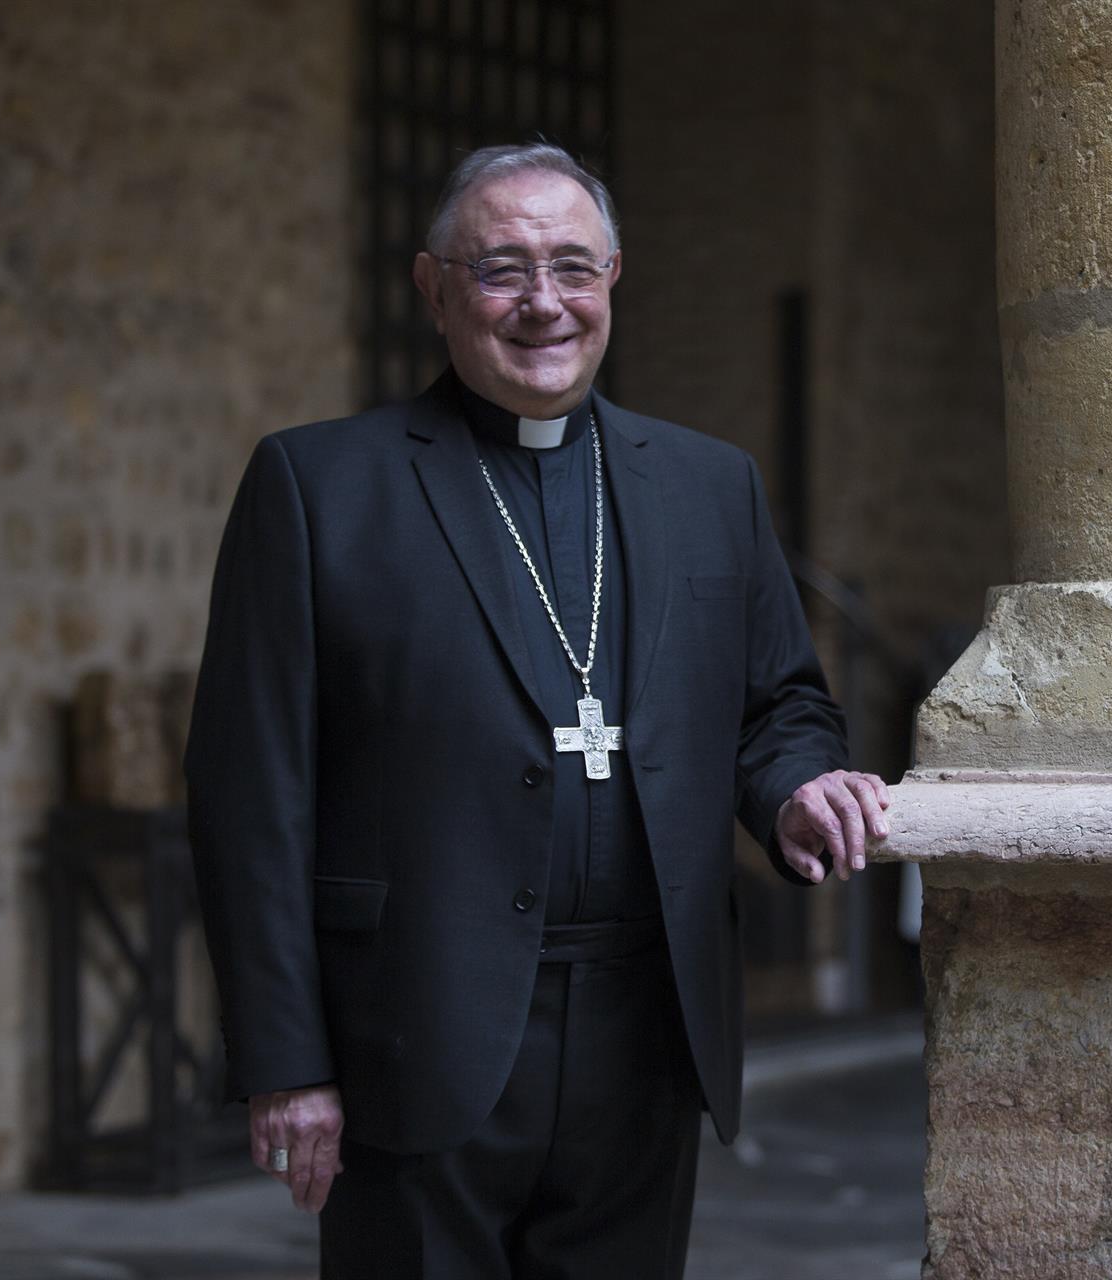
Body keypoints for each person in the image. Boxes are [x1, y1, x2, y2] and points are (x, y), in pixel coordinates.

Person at [185, 141, 888, 1279]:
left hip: (647, 1030)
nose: (543, 303)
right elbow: (249, 792)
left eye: (572, 265)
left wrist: (798, 788)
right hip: (412, 1033)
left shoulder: (711, 486)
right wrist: (286, 1060)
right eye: (502, 268)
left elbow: (778, 705)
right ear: (434, 287)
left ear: (614, 276)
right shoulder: (320, 487)